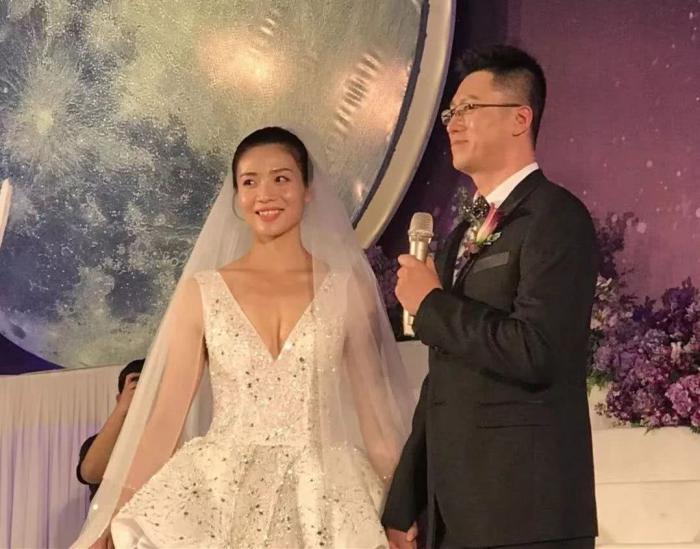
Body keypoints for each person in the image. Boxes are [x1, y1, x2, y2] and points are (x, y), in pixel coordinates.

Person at [73, 127, 415, 548]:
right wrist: (110, 516)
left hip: (324, 500)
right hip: (219, 495)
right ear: (236, 196)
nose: (265, 194)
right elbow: (164, 421)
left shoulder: (347, 290)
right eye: (250, 182)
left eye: (281, 178)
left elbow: (376, 420)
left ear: (308, 189)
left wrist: (402, 513)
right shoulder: (202, 293)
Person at [384, 45, 599, 548]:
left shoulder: (556, 217)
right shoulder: (463, 233)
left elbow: (538, 350)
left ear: (520, 118)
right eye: (450, 113)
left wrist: (432, 305)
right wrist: (407, 494)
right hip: (455, 514)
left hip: (525, 513)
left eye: (469, 108)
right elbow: (445, 375)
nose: (453, 123)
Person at [76, 359, 144, 500]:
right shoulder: (97, 443)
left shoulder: (175, 438)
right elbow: (91, 473)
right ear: (120, 398)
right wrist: (123, 408)